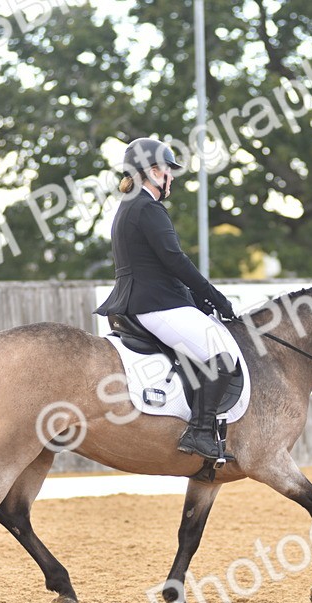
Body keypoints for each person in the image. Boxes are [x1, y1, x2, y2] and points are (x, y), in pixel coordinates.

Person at [95, 137, 241, 460]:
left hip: (142, 301)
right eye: (167, 170)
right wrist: (214, 296)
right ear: (151, 171)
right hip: (153, 304)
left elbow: (158, 266)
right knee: (221, 353)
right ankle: (200, 433)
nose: (171, 177)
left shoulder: (129, 206)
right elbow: (175, 260)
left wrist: (193, 298)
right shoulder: (147, 207)